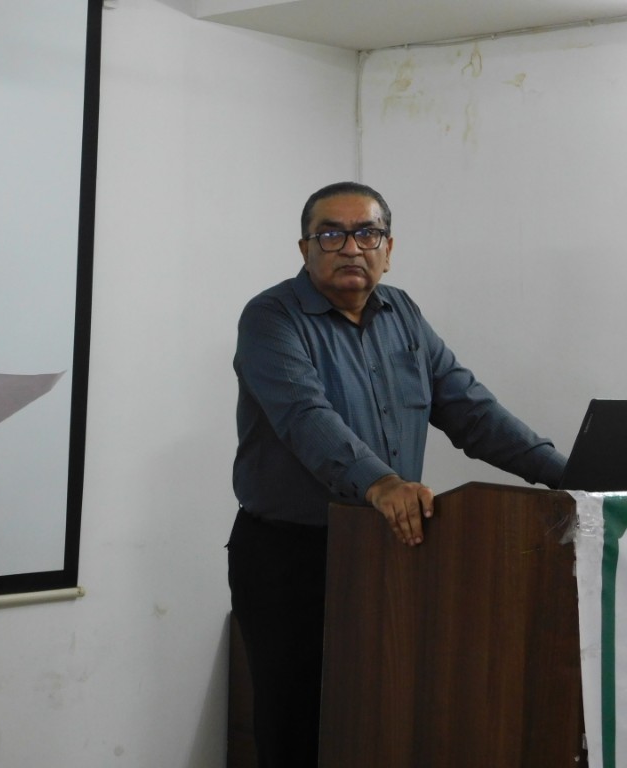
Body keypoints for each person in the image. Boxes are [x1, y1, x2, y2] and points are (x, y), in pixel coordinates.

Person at [227, 181, 567, 767]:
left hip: (391, 548)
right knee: (296, 723)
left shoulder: (403, 314)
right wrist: (381, 482)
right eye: (330, 234)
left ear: (388, 248)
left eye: (367, 233)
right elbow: (306, 416)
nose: (350, 247)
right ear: (305, 248)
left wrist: (571, 476)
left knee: (385, 715)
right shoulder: (271, 317)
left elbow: (473, 412)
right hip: (291, 557)